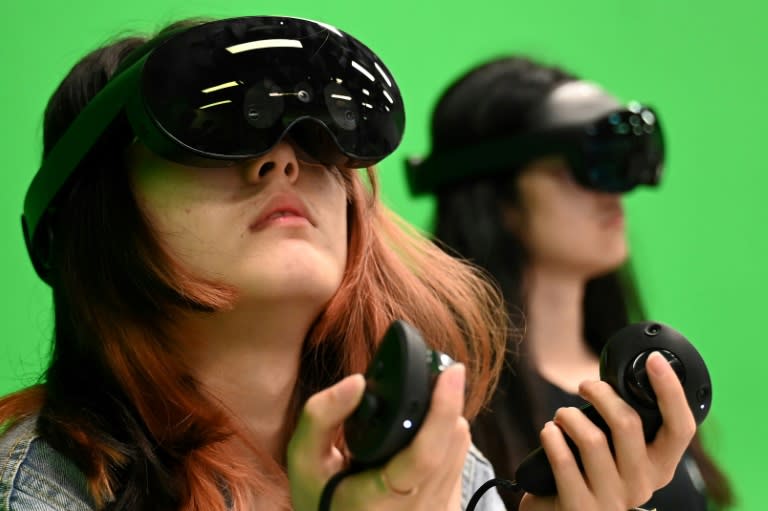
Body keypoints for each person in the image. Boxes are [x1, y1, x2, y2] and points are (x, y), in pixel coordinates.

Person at [0, 18, 698, 511]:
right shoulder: (37, 490)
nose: (284, 161)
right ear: (94, 211)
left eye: (316, 137)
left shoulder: (430, 460)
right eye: (208, 135)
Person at [405, 55, 734, 510]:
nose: (615, 192)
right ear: (498, 198)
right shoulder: (449, 402)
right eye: (587, 166)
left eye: (623, 165)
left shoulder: (641, 387)